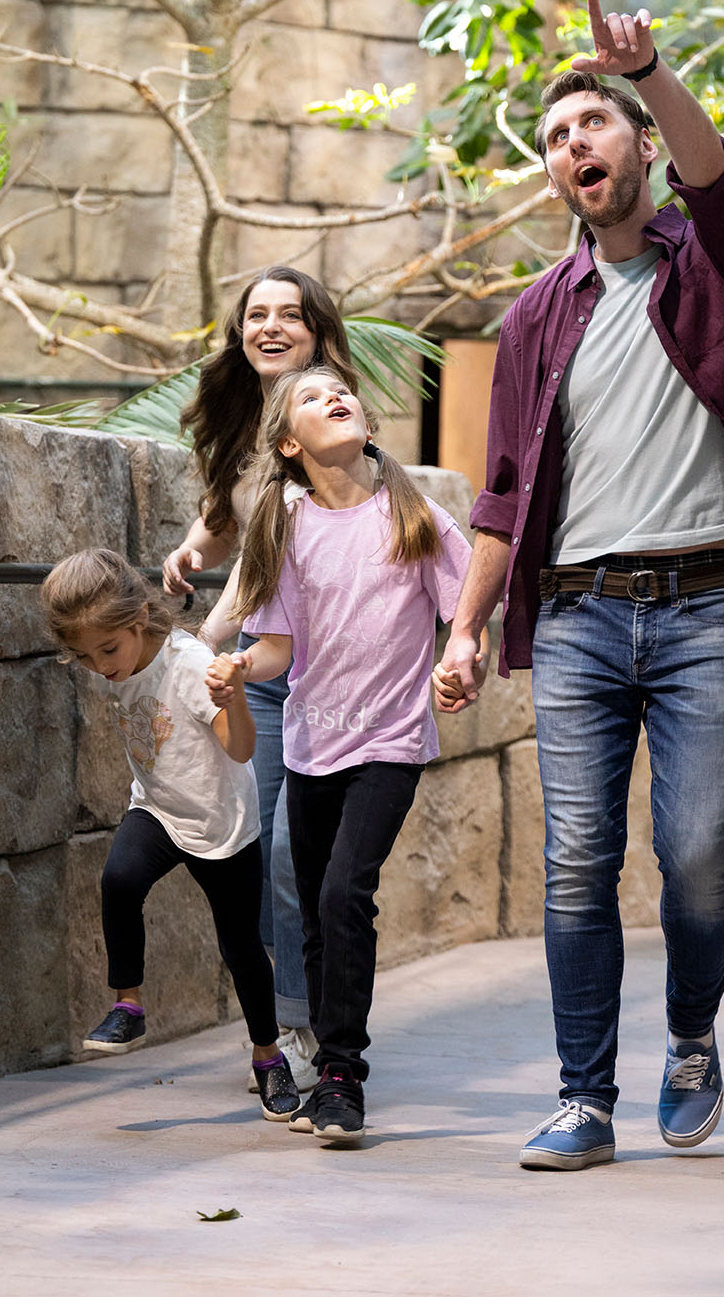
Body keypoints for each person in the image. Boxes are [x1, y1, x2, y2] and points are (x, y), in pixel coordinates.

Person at [435, 0, 724, 1172]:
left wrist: (655, 70)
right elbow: (504, 490)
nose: (578, 145)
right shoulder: (535, 318)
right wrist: (466, 629)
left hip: (708, 601)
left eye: (596, 125)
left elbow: (718, 186)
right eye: (559, 138)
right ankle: (584, 1097)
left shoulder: (710, 266)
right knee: (576, 856)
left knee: (695, 850)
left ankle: (689, 1037)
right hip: (576, 613)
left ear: (635, 144)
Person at [210, 367, 480, 1146]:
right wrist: (236, 669)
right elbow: (275, 649)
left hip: (389, 742)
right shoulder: (288, 530)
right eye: (312, 395)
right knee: (319, 919)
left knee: (340, 895)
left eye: (343, 390)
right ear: (291, 444)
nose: (337, 396)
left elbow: (466, 618)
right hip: (312, 744)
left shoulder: (414, 515)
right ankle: (330, 1060)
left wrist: (462, 663)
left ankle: (340, 1074)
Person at [162, 268, 358, 1096]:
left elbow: (270, 556)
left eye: (290, 315)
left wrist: (200, 643)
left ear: (318, 332)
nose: (270, 327)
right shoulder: (246, 419)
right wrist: (189, 550)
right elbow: (228, 515)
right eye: (256, 315)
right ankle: (290, 1026)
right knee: (260, 846)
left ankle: (308, 1023)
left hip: (328, 674)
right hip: (264, 679)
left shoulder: (328, 420)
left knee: (292, 855)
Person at [41, 548, 301, 1122]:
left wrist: (233, 700)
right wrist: (105, 655)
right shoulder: (121, 657)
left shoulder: (187, 666)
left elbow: (240, 750)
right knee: (118, 879)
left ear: (138, 621)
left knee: (242, 951)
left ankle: (267, 1055)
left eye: (108, 650)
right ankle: (128, 1004)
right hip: (158, 809)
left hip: (220, 826)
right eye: (85, 657)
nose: (101, 666)